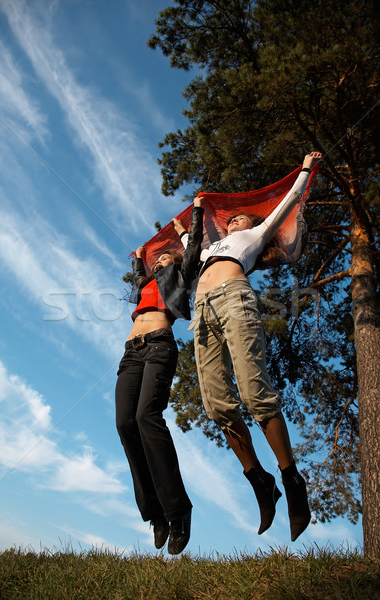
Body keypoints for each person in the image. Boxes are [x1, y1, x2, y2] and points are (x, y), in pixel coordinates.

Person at [174, 152, 322, 541]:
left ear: (254, 225)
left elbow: (288, 202)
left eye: (239, 217)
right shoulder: (209, 250)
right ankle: (260, 480)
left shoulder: (252, 237)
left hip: (234, 299)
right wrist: (182, 230)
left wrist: (305, 168)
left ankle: (291, 480)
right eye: (230, 218)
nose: (233, 219)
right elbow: (192, 246)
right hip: (202, 312)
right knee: (218, 406)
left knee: (256, 396)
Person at [115, 197, 203, 555]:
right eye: (157, 259)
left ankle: (178, 510)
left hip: (160, 346)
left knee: (146, 417)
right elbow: (139, 275)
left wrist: (192, 217)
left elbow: (193, 247)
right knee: (125, 423)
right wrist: (139, 258)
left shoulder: (180, 275)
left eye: (165, 257)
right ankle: (156, 514)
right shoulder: (146, 284)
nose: (159, 260)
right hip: (131, 352)